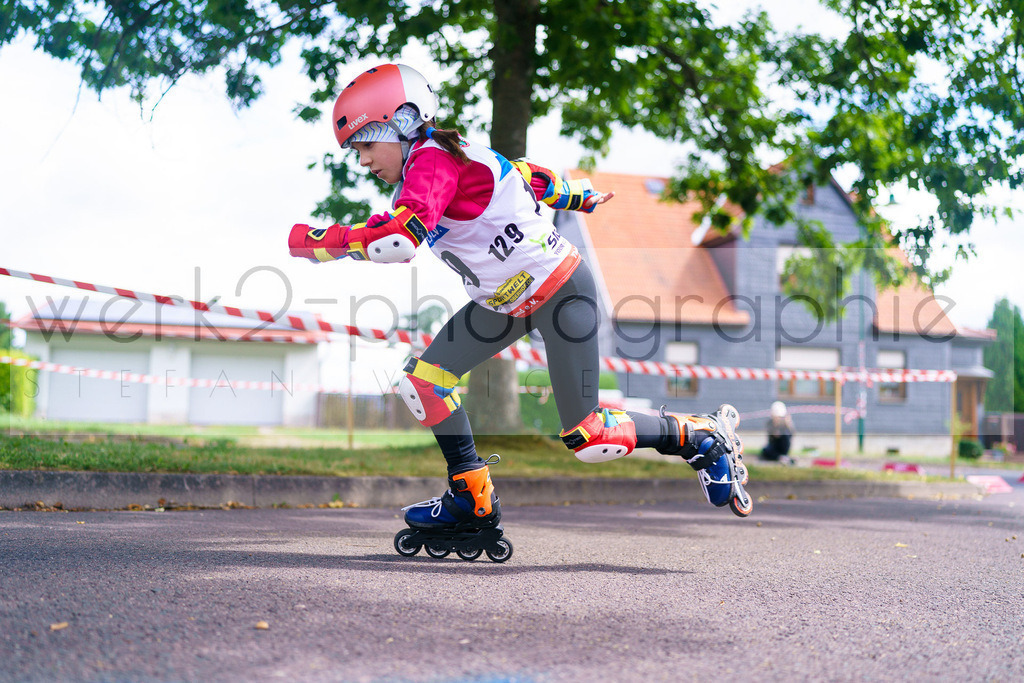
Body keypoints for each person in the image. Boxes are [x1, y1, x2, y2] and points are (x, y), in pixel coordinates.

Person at [288, 63, 747, 539]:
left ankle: (701, 436)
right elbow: (526, 176)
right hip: (502, 305)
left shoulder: (430, 161)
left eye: (364, 145)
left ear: (401, 121)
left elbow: (399, 240)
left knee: (589, 437)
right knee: (424, 384)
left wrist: (319, 241)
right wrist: (576, 197)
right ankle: (471, 499)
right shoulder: (447, 158)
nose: (362, 161)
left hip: (561, 291)